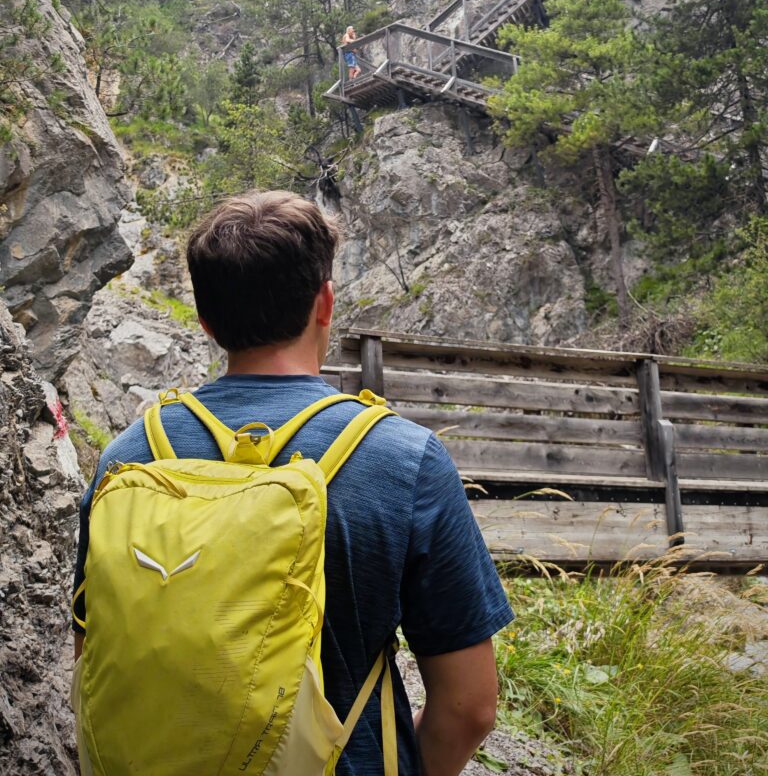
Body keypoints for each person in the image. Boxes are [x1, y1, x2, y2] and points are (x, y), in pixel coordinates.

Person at [72, 190, 513, 776]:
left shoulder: (130, 457)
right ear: (325, 303)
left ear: (205, 322)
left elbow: (92, 656)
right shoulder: (403, 459)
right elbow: (469, 706)